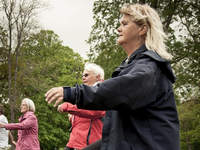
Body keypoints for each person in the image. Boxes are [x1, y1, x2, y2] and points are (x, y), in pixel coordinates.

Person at [45, 3, 180, 150]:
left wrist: (72, 93)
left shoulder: (149, 69)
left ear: (142, 29)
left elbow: (115, 90)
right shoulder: (130, 67)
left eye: (125, 24)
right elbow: (118, 137)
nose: (118, 29)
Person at [58, 63, 105, 150]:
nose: (83, 78)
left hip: (89, 146)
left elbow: (94, 112)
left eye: (86, 75)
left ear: (98, 77)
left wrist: (68, 107)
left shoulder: (103, 91)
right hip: (73, 143)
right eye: (83, 75)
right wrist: (72, 117)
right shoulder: (84, 95)